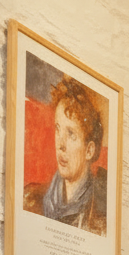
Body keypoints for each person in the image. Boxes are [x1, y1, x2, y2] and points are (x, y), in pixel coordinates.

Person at [23, 76, 107, 236]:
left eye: (71, 134)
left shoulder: (102, 217)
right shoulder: (30, 199)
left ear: (89, 150)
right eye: (57, 129)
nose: (60, 145)